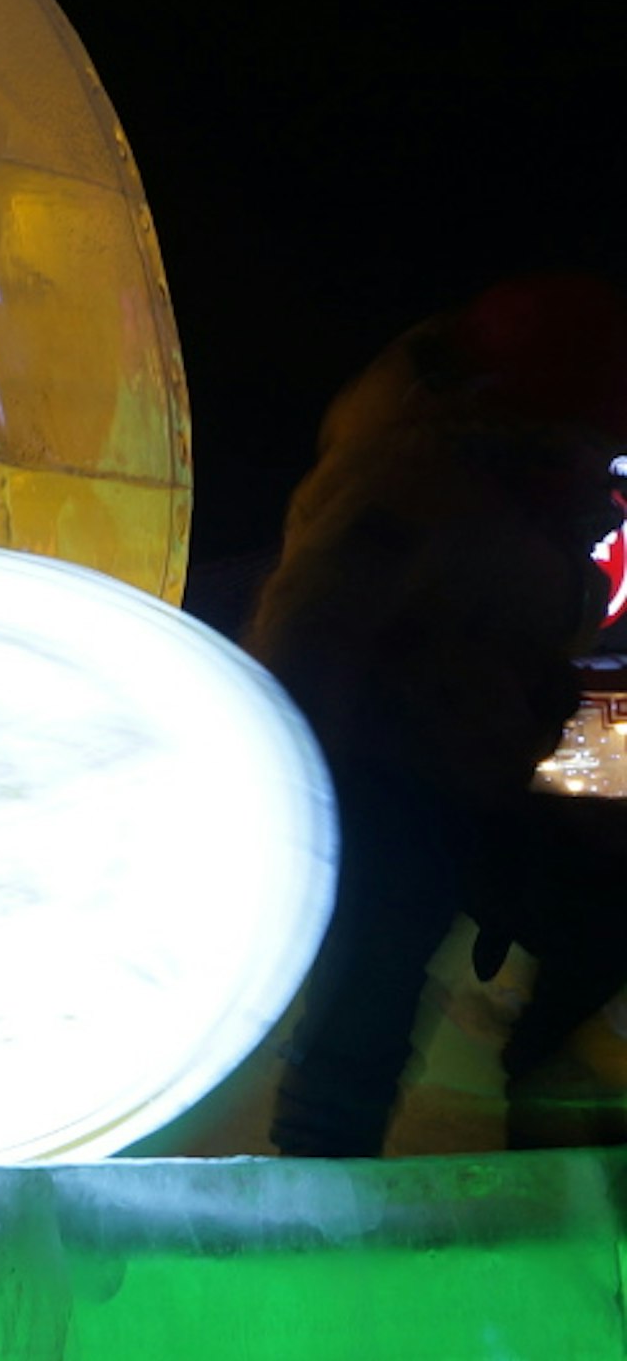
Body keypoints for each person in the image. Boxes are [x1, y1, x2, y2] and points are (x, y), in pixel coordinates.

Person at [252, 272, 627, 1155]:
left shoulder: (516, 487)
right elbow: (315, 626)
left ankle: (560, 1125)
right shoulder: (422, 479)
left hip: (465, 774)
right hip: (391, 778)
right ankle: (322, 1197)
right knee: (370, 995)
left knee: (387, 994)